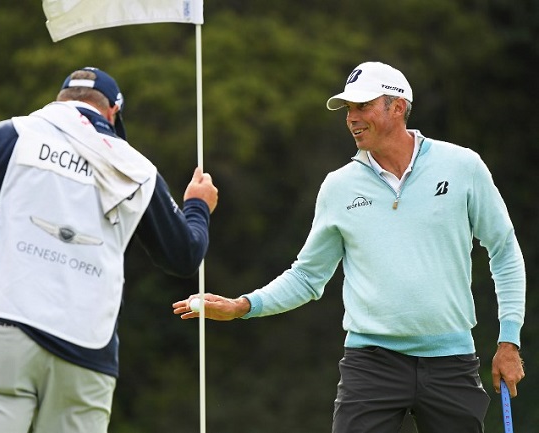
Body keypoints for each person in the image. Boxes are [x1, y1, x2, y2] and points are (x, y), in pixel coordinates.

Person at [173, 61, 525, 433]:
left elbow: (504, 251)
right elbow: (308, 276)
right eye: (348, 109)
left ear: (398, 107)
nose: (352, 118)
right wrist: (244, 305)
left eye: (362, 106)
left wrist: (509, 340)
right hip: (372, 365)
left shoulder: (462, 167)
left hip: (451, 360)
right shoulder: (339, 187)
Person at [0, 66, 218, 433]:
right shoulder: (137, 168)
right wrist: (197, 207)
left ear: (61, 100)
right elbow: (185, 255)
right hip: (87, 352)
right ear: (113, 112)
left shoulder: (8, 135)